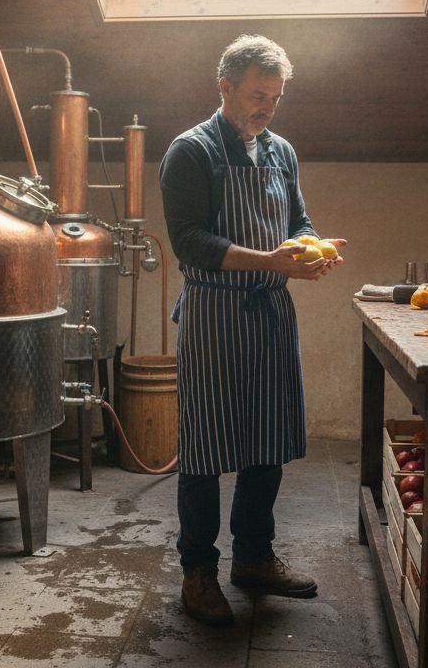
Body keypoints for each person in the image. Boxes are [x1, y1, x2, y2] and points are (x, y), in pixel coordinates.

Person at [159, 34, 346, 625]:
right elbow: (189, 241)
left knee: (267, 441)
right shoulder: (190, 152)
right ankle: (197, 573)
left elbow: (298, 218)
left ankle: (254, 558)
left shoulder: (281, 152)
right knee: (205, 450)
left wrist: (312, 248)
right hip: (214, 316)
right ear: (225, 88)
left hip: (268, 314)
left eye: (276, 97)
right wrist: (270, 262)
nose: (266, 107)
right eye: (257, 95)